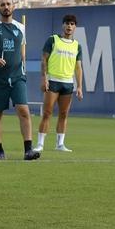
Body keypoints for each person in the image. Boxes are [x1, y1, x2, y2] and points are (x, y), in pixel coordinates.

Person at [0, 0, 40, 161]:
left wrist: (23, 67)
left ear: (14, 7)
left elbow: (22, 52)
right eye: (2, 4)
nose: (6, 7)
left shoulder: (21, 27)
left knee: (23, 110)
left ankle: (28, 150)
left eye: (8, 4)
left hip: (18, 77)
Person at [34, 13, 84, 153]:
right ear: (63, 25)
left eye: (72, 24)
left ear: (75, 27)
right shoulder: (53, 40)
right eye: (67, 23)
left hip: (67, 84)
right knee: (47, 113)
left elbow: (78, 67)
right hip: (53, 81)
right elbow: (44, 60)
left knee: (63, 114)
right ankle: (40, 144)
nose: (69, 26)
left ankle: (60, 144)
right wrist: (44, 78)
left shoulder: (77, 46)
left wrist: (79, 86)